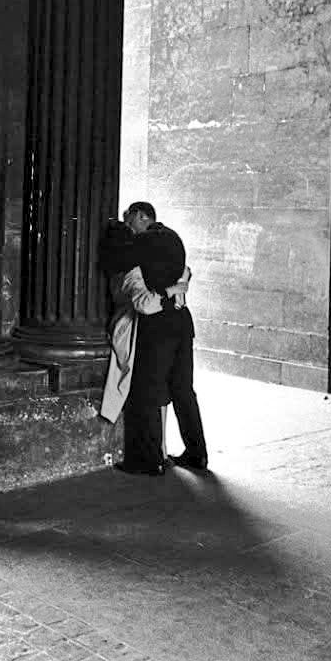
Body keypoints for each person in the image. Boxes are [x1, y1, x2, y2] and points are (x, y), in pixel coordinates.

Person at [116, 201, 208, 474]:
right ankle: (197, 454)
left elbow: (143, 300)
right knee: (183, 390)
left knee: (150, 390)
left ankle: (152, 460)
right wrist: (174, 290)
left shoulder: (141, 246)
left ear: (142, 216)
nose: (126, 223)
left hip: (157, 327)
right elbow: (185, 276)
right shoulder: (174, 241)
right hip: (182, 322)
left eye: (129, 217)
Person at [99, 221, 190, 447]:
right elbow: (146, 304)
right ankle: (159, 451)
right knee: (155, 392)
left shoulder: (127, 268)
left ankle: (159, 452)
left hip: (136, 327)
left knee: (155, 390)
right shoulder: (132, 271)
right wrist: (176, 287)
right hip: (132, 328)